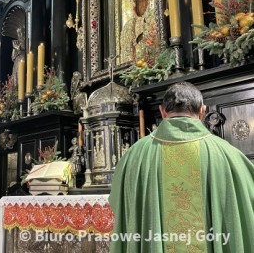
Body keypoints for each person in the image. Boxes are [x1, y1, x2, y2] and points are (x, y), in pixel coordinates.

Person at [109, 82, 254, 252]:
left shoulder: (134, 155)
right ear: (202, 111)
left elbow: (119, 202)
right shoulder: (228, 154)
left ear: (163, 111)